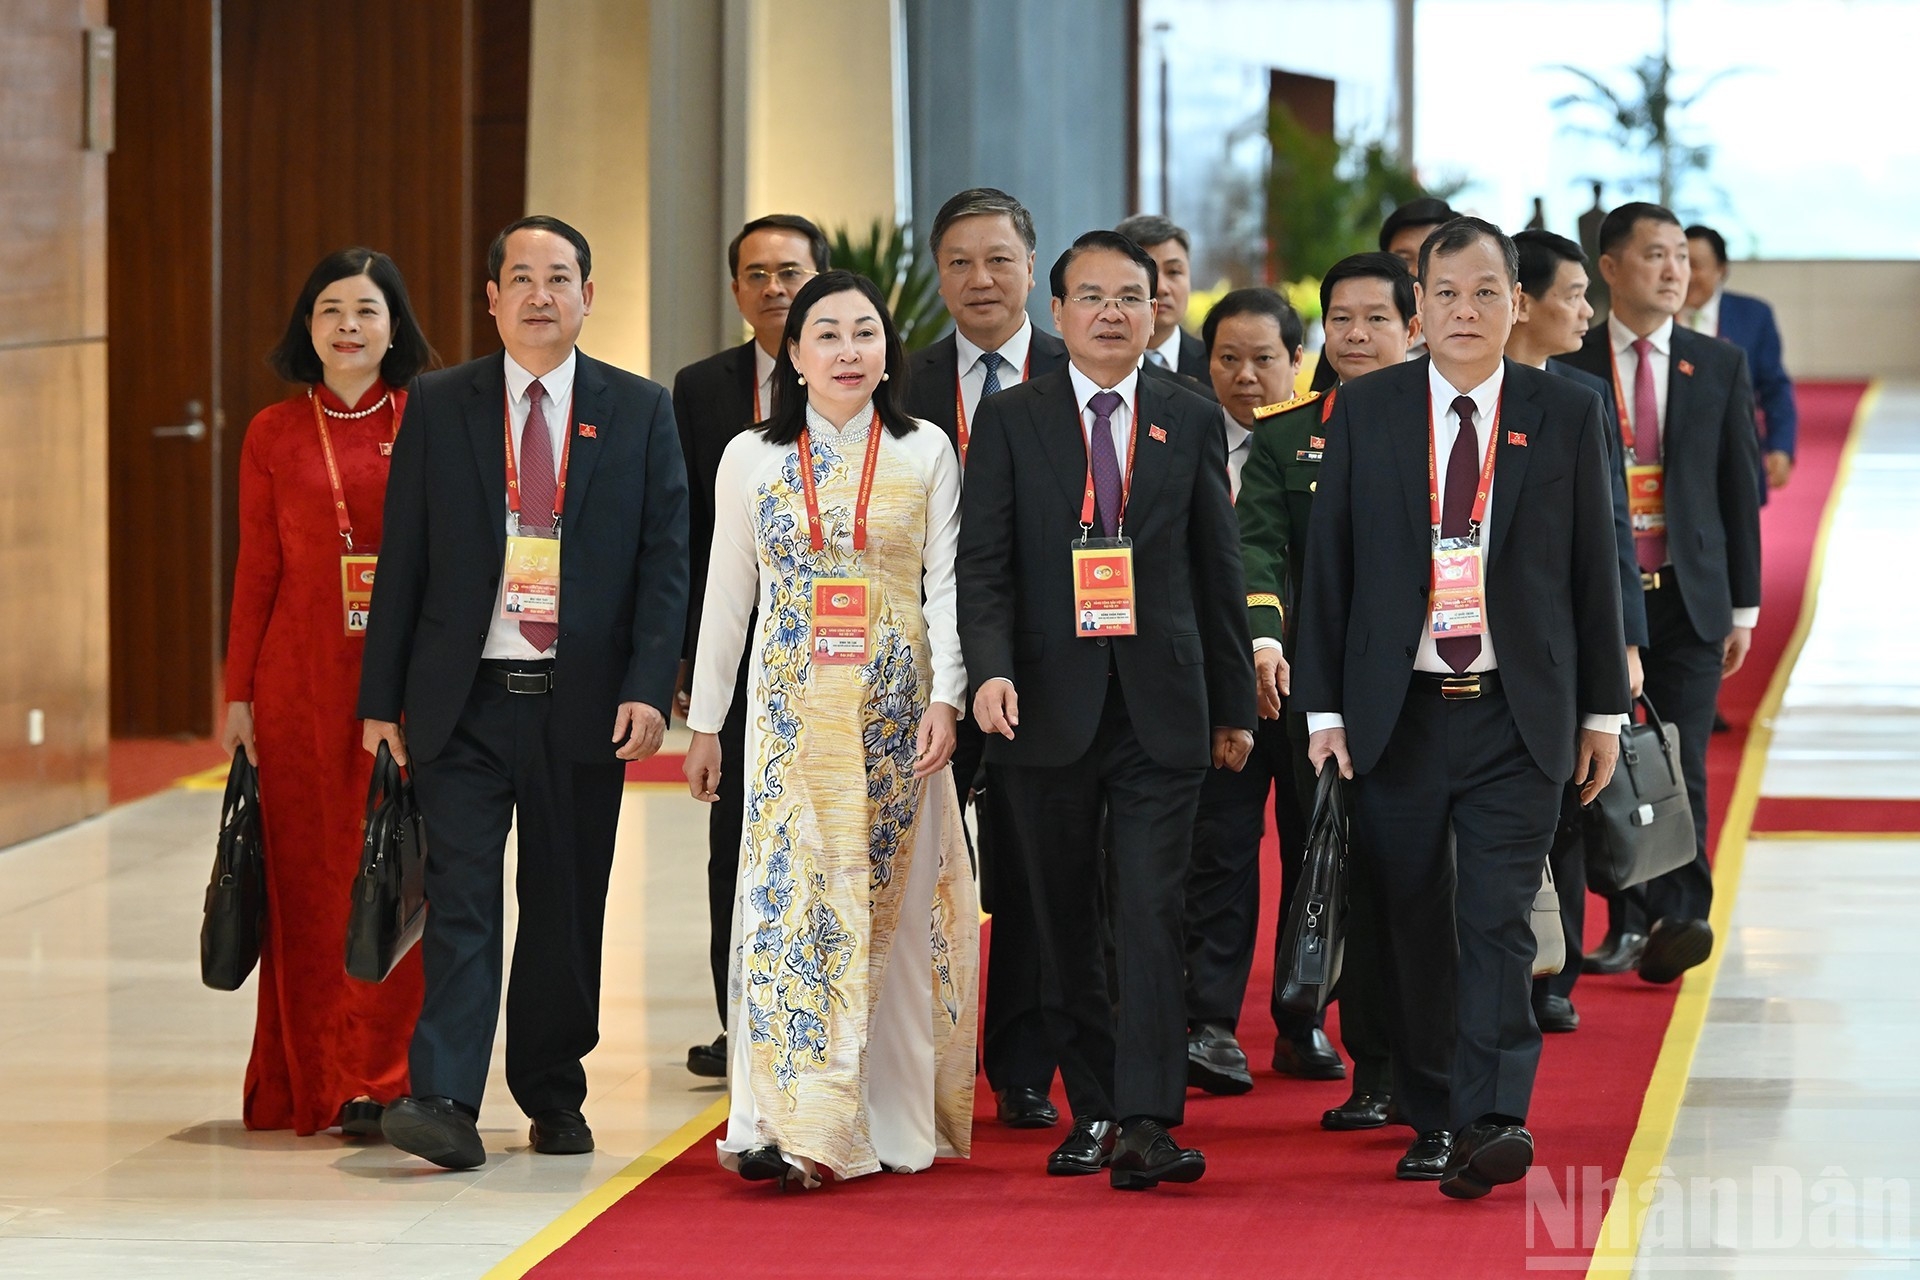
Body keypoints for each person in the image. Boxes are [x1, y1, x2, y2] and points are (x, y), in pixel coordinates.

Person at [1293, 216, 1629, 1198]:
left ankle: (1490, 1119)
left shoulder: (1566, 410)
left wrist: (1601, 712)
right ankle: (1432, 1110)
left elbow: (1593, 572)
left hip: (1517, 712)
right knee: (1411, 921)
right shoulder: (1367, 409)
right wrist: (1324, 711)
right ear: (1419, 308)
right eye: (1447, 294)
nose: (1467, 311)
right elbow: (1332, 573)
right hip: (1397, 710)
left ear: (1516, 303)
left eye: (1488, 292)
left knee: (1497, 922)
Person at [357, 215, 690, 1170]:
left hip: (582, 701)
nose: (540, 295)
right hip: (462, 699)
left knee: (566, 902)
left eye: (560, 278)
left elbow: (666, 563)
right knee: (462, 898)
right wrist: (385, 700)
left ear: (590, 296)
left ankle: (552, 1089)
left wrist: (647, 688)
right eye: (520, 278)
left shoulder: (638, 408)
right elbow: (405, 558)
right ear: (491, 299)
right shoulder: (439, 400)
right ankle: (446, 1097)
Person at [957, 230, 1256, 1191]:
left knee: (1151, 908)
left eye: (1131, 296)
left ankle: (1147, 1121)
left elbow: (1219, 570)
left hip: (1162, 707)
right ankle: (1091, 1108)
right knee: (1060, 921)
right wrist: (988, 671)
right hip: (1041, 707)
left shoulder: (1189, 414)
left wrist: (1232, 704)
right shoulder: (1012, 418)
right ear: (1059, 313)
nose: (1113, 313)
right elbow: (986, 565)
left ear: (1156, 308)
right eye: (1092, 297)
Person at [683, 270, 978, 1189]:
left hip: (898, 720)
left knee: (880, 911)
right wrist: (706, 722)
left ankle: (879, 1117)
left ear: (888, 350)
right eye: (826, 335)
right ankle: (787, 1122)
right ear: (795, 355)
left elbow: (947, 586)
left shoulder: (926, 449)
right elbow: (728, 597)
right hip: (784, 722)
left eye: (865, 333)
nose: (848, 351)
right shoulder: (750, 458)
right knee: (783, 914)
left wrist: (949, 699)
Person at [221, 247, 433, 1138]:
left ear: (395, 327)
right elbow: (256, 570)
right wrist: (238, 695)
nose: (349, 325)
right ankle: (317, 1076)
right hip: (296, 684)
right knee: (310, 884)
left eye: (368, 310)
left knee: (390, 873)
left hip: (402, 685)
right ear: (307, 329)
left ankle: (388, 1079)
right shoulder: (272, 431)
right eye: (331, 311)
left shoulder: (429, 418)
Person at [1236, 252, 1417, 1128]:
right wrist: (1265, 636)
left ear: (1412, 327)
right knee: (1346, 871)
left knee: (1420, 886)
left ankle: (1429, 1063)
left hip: (1434, 690)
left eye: (1375, 318)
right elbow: (1259, 545)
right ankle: (1371, 1068)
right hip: (1325, 700)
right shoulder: (1286, 434)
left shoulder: (1450, 428)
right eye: (1340, 318)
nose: (1355, 334)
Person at [1563, 203, 1762, 986]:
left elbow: (1736, 490)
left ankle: (1681, 916)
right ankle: (1626, 917)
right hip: (1603, 599)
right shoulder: (1571, 361)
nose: (1675, 270)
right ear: (1609, 268)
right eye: (1655, 255)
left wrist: (1742, 607)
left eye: (1681, 255)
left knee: (1682, 759)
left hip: (1687, 593)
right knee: (1608, 758)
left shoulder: (1716, 363)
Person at [906, 186, 1068, 1131]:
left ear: (1031, 265)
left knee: (1033, 866)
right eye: (960, 262)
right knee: (918, 863)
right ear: (938, 274)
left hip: (1039, 662)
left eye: (998, 259)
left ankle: (1021, 1065)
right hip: (923, 665)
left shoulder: (1074, 371)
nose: (980, 279)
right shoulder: (901, 381)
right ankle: (919, 1064)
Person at [672, 213, 831, 1080]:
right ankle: (744, 1020)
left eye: (791, 272)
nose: (775, 288)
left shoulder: (874, 373)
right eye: (757, 274)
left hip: (845, 651)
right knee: (735, 835)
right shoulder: (701, 389)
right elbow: (690, 531)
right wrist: (693, 661)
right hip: (738, 650)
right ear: (736, 290)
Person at [1180, 287, 1323, 1097]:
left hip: (1307, 693)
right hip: (1214, 695)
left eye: (1263, 358)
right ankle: (1213, 1025)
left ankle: (1303, 1019)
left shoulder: (1321, 444)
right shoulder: (1185, 439)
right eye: (1227, 358)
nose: (1244, 375)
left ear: (1295, 363)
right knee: (1222, 857)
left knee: (1315, 858)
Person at [1506, 228, 1650, 1032]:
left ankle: (1548, 975)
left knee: (1564, 806)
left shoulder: (1579, 402)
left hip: (1555, 653)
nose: (1588, 313)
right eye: (1573, 295)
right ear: (1521, 302)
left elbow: (1612, 534)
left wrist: (1621, 642)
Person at [1683, 223, 1797, 496]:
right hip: (1676, 463)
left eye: (1695, 265)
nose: (1685, 276)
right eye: (1680, 263)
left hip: (1736, 458)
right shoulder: (1657, 317)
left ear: (1721, 269)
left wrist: (1780, 446)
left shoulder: (1753, 316)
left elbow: (1774, 386)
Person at [1114, 214, 1210, 386]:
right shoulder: (1086, 365)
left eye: (1174, 272)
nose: (1161, 288)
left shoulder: (1217, 364)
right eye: (1148, 274)